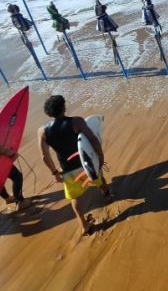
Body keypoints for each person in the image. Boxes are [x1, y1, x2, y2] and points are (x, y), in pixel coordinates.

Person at [38, 95, 113, 236]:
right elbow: (93, 139)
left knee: (75, 197)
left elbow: (44, 156)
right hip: (85, 164)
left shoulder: (42, 131)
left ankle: (83, 225)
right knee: (99, 180)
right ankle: (107, 195)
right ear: (64, 108)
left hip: (67, 170)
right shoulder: (76, 122)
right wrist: (100, 156)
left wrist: (55, 173)